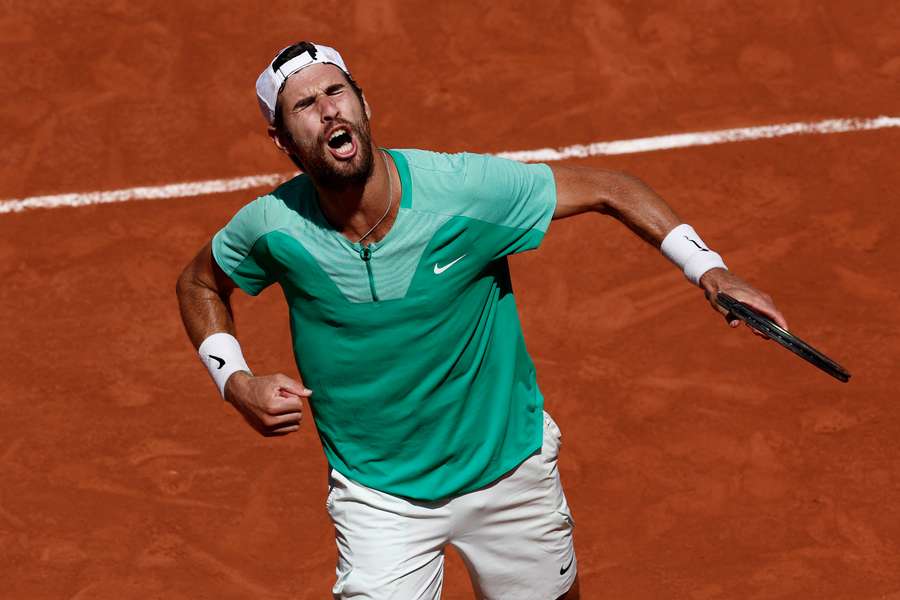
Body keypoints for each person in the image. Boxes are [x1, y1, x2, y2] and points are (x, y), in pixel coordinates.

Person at [176, 41, 787, 600]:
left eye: (336, 92)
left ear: (365, 103)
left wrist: (709, 270)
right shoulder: (272, 225)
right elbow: (201, 281)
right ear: (282, 140)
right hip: (378, 496)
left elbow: (610, 187)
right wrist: (233, 379)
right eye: (304, 105)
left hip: (508, 473)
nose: (328, 111)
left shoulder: (462, 189)